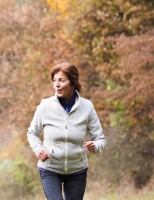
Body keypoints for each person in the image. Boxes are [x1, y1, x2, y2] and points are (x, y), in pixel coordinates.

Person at [27, 62, 106, 200]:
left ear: (73, 82)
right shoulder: (45, 105)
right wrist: (39, 149)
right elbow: (32, 133)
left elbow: (100, 139)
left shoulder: (87, 107)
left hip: (77, 170)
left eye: (61, 80)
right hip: (50, 168)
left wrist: (95, 146)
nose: (56, 84)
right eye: (55, 80)